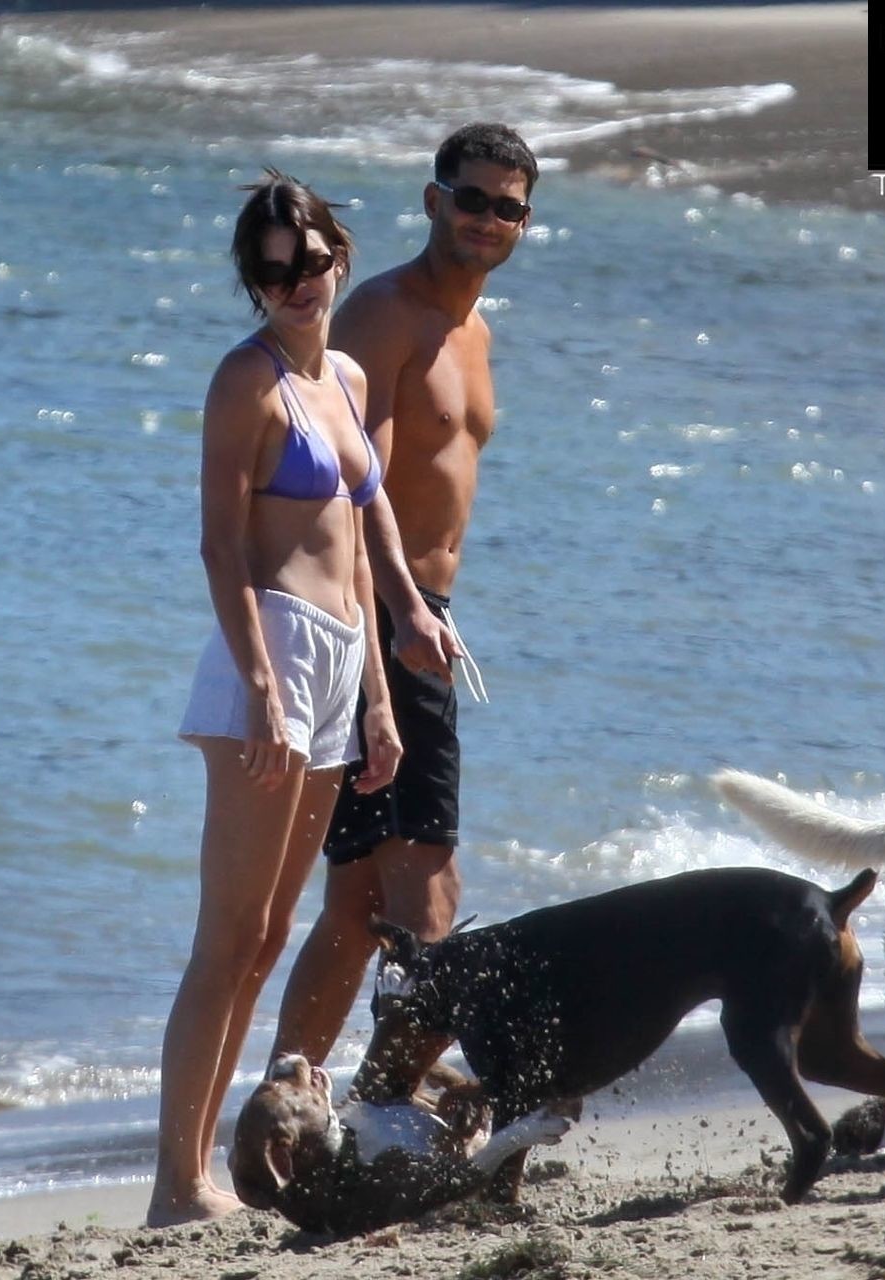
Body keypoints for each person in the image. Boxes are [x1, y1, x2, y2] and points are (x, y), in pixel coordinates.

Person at [147, 171, 403, 1227]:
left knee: (269, 935)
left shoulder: (346, 377)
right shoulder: (243, 382)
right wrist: (260, 682)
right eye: (271, 272)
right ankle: (176, 1185)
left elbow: (358, 558)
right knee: (229, 935)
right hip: (275, 652)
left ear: (340, 255)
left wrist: (378, 700)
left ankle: (206, 1167)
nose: (296, 284)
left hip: (340, 660)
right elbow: (221, 545)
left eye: (310, 262)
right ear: (251, 283)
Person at [271, 123, 539, 1067]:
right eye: (471, 199)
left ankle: (289, 1104)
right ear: (433, 201)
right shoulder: (384, 315)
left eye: (508, 208)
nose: (487, 219)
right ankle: (393, 1111)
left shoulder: (476, 333)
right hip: (383, 613)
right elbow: (355, 489)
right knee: (429, 895)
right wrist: (405, 617)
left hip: (415, 615)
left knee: (356, 905)